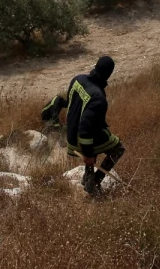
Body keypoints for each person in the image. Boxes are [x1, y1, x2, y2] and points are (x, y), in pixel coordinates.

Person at [41, 56, 124, 195]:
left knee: (95, 137)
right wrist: (88, 155)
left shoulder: (78, 79)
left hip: (70, 134)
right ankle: (95, 181)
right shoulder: (99, 98)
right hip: (80, 139)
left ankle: (88, 178)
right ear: (109, 74)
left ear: (96, 67)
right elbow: (85, 130)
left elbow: (71, 104)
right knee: (118, 149)